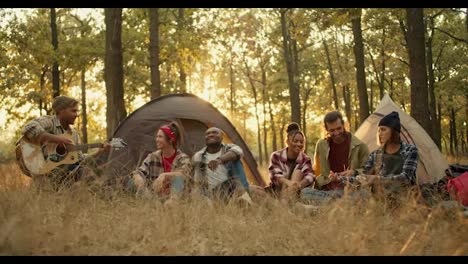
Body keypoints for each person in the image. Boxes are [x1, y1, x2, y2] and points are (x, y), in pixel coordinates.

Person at [19, 95, 111, 190]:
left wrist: (99, 152)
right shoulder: (49, 122)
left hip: (62, 175)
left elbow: (79, 159)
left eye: (77, 111)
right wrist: (57, 139)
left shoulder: (73, 134)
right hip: (41, 167)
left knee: (96, 168)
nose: (77, 114)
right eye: (73, 111)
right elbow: (28, 128)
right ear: (61, 110)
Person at [307, 111, 369, 197]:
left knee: (364, 194)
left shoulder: (360, 146)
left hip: (351, 189)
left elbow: (368, 171)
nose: (336, 133)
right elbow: (317, 172)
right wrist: (329, 179)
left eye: (339, 128)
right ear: (326, 130)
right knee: (305, 192)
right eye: (332, 130)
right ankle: (336, 201)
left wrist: (353, 172)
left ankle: (329, 203)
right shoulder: (321, 145)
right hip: (328, 190)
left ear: (344, 125)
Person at [129, 122, 192, 203]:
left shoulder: (183, 158)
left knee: (178, 178)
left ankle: (171, 204)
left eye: (160, 137)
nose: (157, 139)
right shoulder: (152, 157)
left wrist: (165, 175)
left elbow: (184, 174)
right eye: (157, 136)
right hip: (156, 198)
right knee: (131, 182)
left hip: (177, 198)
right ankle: (142, 205)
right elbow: (139, 172)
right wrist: (138, 178)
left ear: (170, 139)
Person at [358, 111, 418, 195]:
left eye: (383, 129)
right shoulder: (375, 154)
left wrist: (377, 179)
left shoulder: (410, 150)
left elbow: (405, 178)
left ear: (394, 131)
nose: (379, 133)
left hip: (405, 201)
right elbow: (363, 177)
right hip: (380, 201)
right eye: (378, 130)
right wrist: (340, 178)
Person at [192, 127, 251, 203]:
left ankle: (243, 197)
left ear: (222, 136)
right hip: (212, 193)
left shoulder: (230, 148)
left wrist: (219, 160)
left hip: (232, 189)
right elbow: (198, 182)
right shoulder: (199, 156)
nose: (210, 135)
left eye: (214, 132)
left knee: (235, 159)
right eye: (207, 134)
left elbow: (238, 152)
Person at [266, 123, 315, 202]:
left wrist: (298, 185)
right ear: (288, 141)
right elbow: (275, 175)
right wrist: (289, 183)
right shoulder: (276, 156)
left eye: (301, 142)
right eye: (295, 141)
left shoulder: (306, 159)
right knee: (253, 190)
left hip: (296, 194)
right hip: (276, 191)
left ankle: (283, 204)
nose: (299, 144)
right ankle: (280, 203)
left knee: (298, 173)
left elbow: (310, 177)